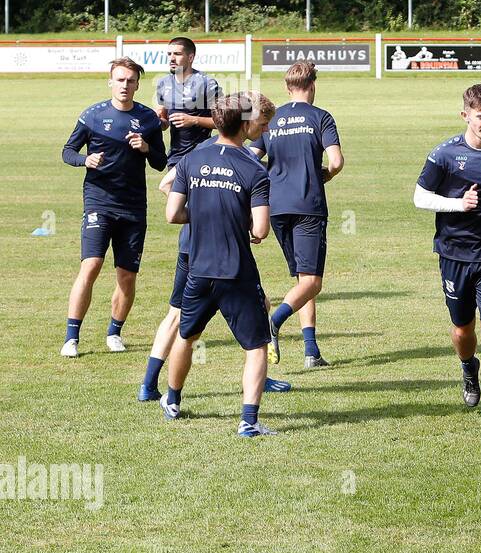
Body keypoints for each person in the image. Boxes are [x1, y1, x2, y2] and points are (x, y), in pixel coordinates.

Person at [138, 94, 292, 401]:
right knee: (179, 318)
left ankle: (256, 374)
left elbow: (170, 187)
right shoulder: (234, 157)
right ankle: (150, 383)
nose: (265, 131)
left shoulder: (208, 151)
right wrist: (221, 212)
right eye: (262, 124)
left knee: (257, 305)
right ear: (245, 122)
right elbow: (166, 186)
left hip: (202, 245)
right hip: (202, 248)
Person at [161, 92, 276, 438]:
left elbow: (172, 214)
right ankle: (248, 421)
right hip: (236, 272)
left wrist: (206, 214)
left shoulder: (192, 159)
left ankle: (172, 400)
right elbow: (260, 229)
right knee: (256, 345)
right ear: (244, 124)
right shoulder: (254, 169)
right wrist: (236, 221)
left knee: (187, 335)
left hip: (198, 269)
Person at [413, 84, 481, 435]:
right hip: (454, 254)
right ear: (465, 116)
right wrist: (458, 205)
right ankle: (466, 366)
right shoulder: (443, 155)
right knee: (464, 330)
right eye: (480, 118)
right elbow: (419, 197)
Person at [60, 58, 167, 356]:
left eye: (130, 80)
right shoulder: (92, 116)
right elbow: (67, 151)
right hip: (99, 200)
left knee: (127, 275)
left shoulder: (147, 119)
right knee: (91, 265)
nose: (125, 85)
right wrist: (85, 160)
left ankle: (114, 332)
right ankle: (72, 337)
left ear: (137, 84)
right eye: (120, 80)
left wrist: (146, 148)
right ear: (110, 81)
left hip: (133, 207)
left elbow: (161, 161)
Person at [249, 61, 344, 369]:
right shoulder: (321, 117)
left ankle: (311, 351)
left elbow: (250, 157)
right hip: (308, 207)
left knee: (304, 278)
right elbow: (337, 161)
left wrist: (268, 179)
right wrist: (325, 176)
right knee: (313, 282)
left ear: (287, 88)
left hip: (275, 207)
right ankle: (273, 323)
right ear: (312, 85)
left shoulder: (272, 120)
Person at [153, 35, 221, 167]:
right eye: (169, 54)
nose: (172, 58)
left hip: (201, 156)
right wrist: (158, 121)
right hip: (175, 157)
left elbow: (222, 122)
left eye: (177, 54)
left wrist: (193, 120)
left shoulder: (207, 83)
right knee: (169, 187)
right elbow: (165, 123)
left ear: (191, 57)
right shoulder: (163, 83)